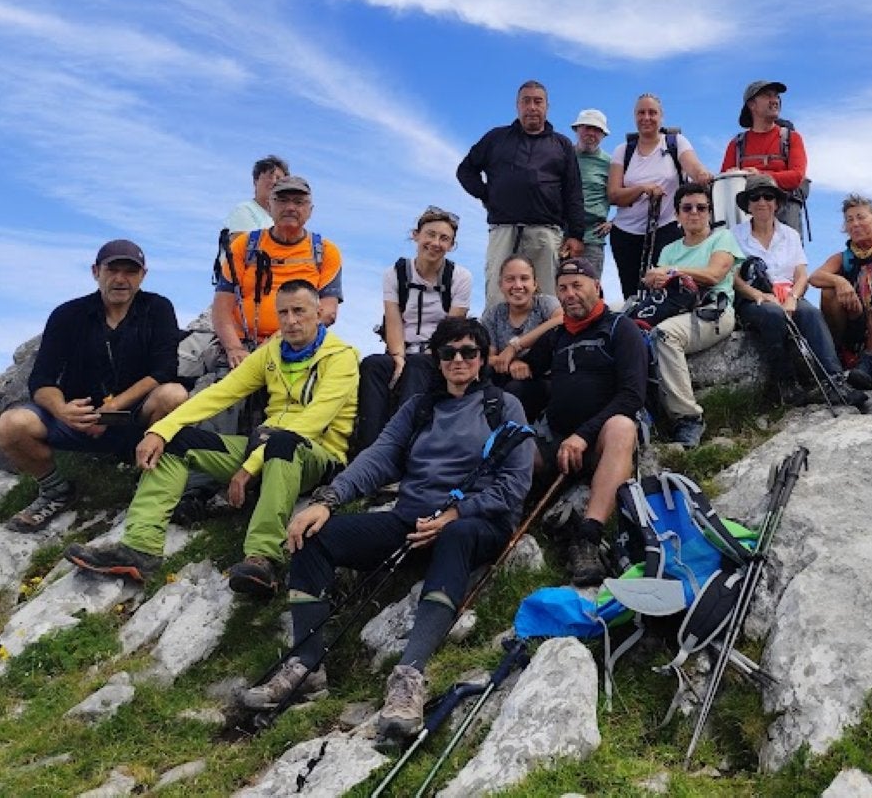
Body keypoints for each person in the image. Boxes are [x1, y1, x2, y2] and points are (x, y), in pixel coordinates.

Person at [238, 317, 533, 736]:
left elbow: (515, 484)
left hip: (474, 524)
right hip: (409, 519)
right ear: (436, 359)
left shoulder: (503, 406)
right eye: (448, 352)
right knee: (315, 538)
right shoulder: (419, 408)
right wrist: (328, 500)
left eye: (469, 351)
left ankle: (408, 677)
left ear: (483, 357)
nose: (458, 360)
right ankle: (307, 664)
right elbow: (379, 457)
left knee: (456, 535)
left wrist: (456, 513)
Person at [64, 280, 358, 594]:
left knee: (282, 444)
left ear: (318, 311)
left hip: (317, 455)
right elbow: (220, 394)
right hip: (264, 447)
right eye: (283, 312)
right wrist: (160, 430)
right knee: (178, 442)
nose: (290, 320)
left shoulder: (341, 357)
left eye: (299, 311)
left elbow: (313, 422)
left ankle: (262, 559)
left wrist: (248, 468)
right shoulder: (272, 351)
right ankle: (140, 548)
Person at [0, 240, 188, 532]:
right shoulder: (67, 315)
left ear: (143, 275)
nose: (121, 279)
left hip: (135, 419)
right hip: (76, 417)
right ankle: (54, 490)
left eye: (130, 271)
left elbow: (164, 371)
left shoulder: (158, 308)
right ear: (96, 271)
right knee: (10, 425)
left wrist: (113, 407)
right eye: (113, 270)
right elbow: (42, 380)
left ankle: (149, 484)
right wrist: (62, 410)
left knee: (174, 395)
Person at [525, 257, 642, 585]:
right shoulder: (556, 336)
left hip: (600, 440)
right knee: (514, 447)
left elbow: (633, 396)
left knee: (622, 426)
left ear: (596, 286)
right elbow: (529, 367)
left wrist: (583, 434)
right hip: (556, 438)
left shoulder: (621, 329)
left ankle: (589, 537)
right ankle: (500, 524)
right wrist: (510, 356)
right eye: (562, 288)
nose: (569, 293)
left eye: (578, 285)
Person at [730, 175, 857, 407]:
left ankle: (834, 380)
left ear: (777, 203)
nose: (762, 202)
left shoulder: (790, 235)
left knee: (810, 314)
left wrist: (793, 297)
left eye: (768, 196)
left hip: (788, 294)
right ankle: (786, 384)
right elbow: (733, 277)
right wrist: (758, 295)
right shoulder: (734, 235)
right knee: (773, 315)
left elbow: (801, 274)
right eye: (755, 197)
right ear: (748, 204)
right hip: (753, 299)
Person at [456, 80, 585, 307]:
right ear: (518, 106)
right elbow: (465, 171)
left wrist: (576, 234)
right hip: (503, 229)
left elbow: (573, 191)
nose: (532, 107)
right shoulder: (495, 138)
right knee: (498, 295)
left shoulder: (562, 144)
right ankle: (495, 343)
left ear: (547, 106)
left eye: (538, 101)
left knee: (547, 300)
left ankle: (547, 343)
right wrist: (488, 195)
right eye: (526, 101)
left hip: (546, 232)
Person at [356, 206, 473, 448]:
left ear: (452, 246)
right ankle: (368, 451)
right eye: (430, 234)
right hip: (403, 347)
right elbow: (393, 318)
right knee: (373, 365)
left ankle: (401, 445)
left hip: (439, 352)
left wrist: (430, 354)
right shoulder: (395, 273)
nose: (435, 243)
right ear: (416, 235)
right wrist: (398, 357)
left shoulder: (460, 277)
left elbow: (451, 328)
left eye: (444, 239)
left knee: (419, 365)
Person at [644, 183, 743, 448]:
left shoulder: (722, 239)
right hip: (675, 310)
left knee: (664, 336)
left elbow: (714, 275)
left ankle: (689, 418)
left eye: (701, 207)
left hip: (714, 311)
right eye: (687, 208)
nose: (694, 213)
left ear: (710, 212)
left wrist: (671, 270)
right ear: (677, 215)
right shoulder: (669, 249)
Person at [212, 175, 343, 368]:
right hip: (241, 348)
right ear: (269, 205)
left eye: (299, 202)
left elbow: (328, 312)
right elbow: (222, 306)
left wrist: (276, 343)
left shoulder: (325, 251)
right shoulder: (244, 245)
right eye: (282, 200)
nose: (290, 207)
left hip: (299, 348)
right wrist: (234, 349)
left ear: (310, 211)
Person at [607, 92, 712, 300]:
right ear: (634, 117)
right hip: (626, 233)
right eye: (641, 113)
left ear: (661, 116)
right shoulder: (622, 150)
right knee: (631, 294)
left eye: (652, 112)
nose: (646, 117)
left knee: (667, 287)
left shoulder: (676, 143)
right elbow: (614, 195)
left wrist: (701, 174)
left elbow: (692, 165)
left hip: (666, 228)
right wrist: (642, 188)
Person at [810, 194, 872, 390]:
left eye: (861, 217)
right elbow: (814, 277)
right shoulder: (845, 257)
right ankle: (835, 355)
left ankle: (869, 362)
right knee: (829, 292)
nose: (855, 224)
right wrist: (839, 281)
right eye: (849, 220)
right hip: (856, 318)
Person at [720, 80, 809, 234]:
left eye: (776, 96)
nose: (775, 100)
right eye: (768, 96)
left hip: (785, 215)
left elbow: (796, 177)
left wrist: (759, 176)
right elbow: (725, 185)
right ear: (752, 105)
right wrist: (733, 175)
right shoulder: (736, 144)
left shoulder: (791, 138)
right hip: (747, 219)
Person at [482, 254, 562, 419]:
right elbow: (488, 357)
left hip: (542, 377)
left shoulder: (545, 304)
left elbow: (561, 319)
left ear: (535, 284)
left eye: (524, 278)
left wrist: (515, 347)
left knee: (515, 390)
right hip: (505, 374)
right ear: (501, 285)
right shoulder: (494, 314)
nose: (518, 285)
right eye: (510, 279)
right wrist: (512, 362)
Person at [571, 109, 614, 279]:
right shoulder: (562, 156)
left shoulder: (610, 163)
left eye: (597, 130)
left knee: (589, 291)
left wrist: (615, 222)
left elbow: (626, 196)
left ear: (603, 135)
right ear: (577, 129)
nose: (591, 133)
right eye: (587, 127)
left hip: (593, 238)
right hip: (560, 235)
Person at [224, 155, 289, 231]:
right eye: (269, 176)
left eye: (278, 178)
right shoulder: (245, 210)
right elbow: (244, 242)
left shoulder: (283, 220)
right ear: (255, 181)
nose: (274, 181)